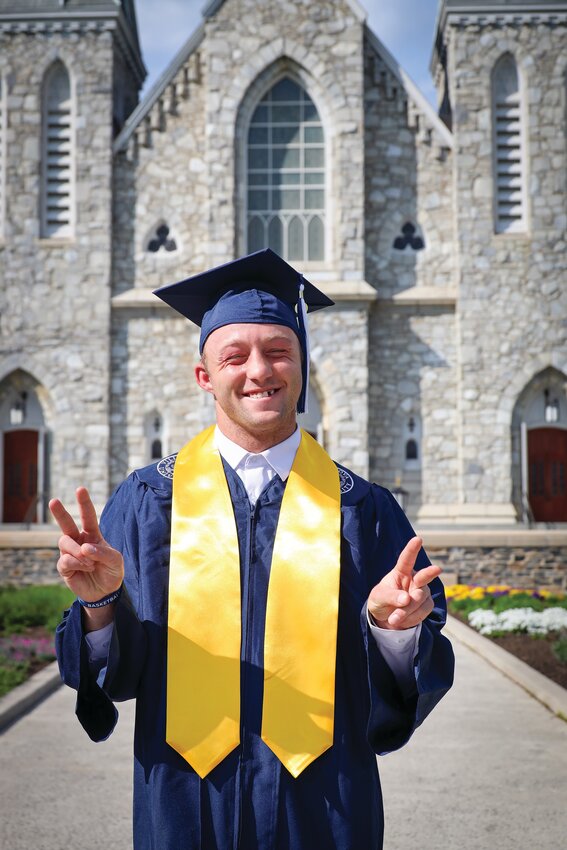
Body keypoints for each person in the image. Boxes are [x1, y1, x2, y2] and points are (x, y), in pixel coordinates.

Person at [51, 249, 454, 850]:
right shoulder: (147, 500)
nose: (259, 370)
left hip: (325, 801)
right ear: (204, 376)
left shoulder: (363, 509)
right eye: (234, 356)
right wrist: (102, 605)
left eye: (278, 351)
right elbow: (121, 673)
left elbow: (407, 675)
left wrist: (392, 633)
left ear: (302, 365)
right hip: (185, 798)